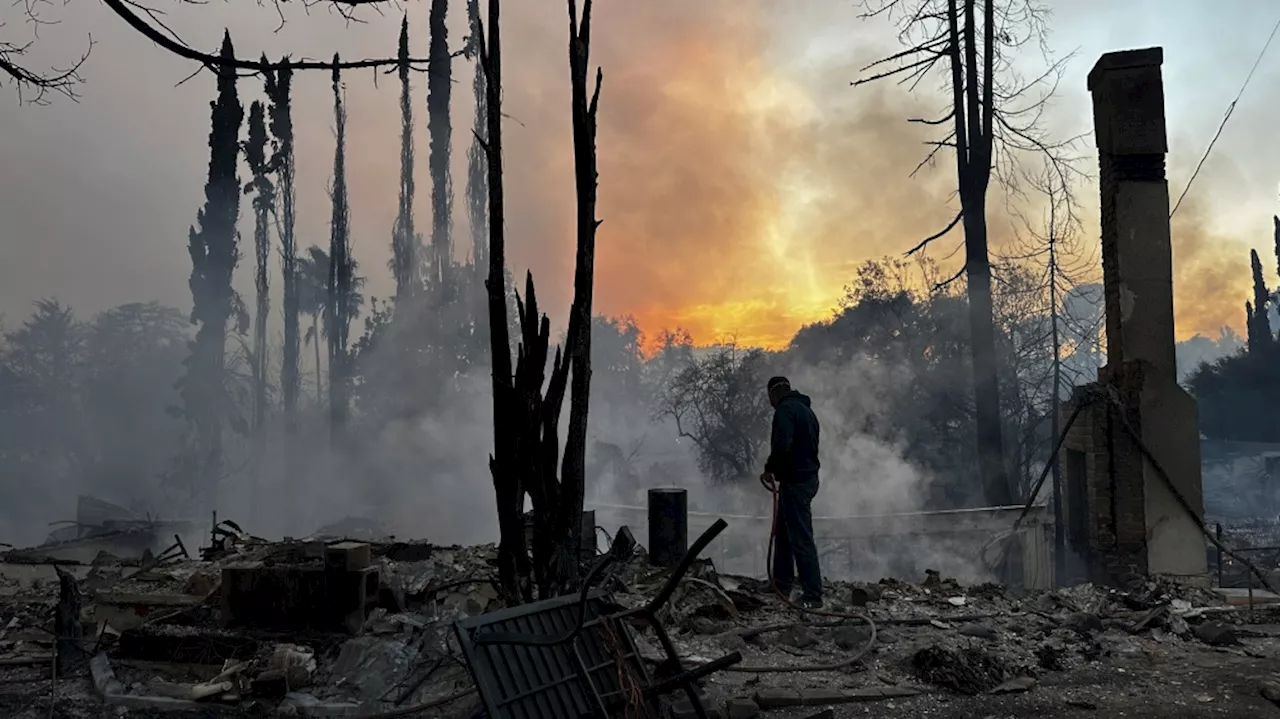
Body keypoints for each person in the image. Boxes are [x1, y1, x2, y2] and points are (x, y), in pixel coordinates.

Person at [760, 375, 824, 609]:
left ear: (774, 393)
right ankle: (782, 582)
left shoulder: (785, 411)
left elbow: (781, 445)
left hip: (796, 482)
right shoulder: (807, 412)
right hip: (806, 479)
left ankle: (813, 595)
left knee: (800, 538)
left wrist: (770, 470)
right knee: (784, 534)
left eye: (769, 397)